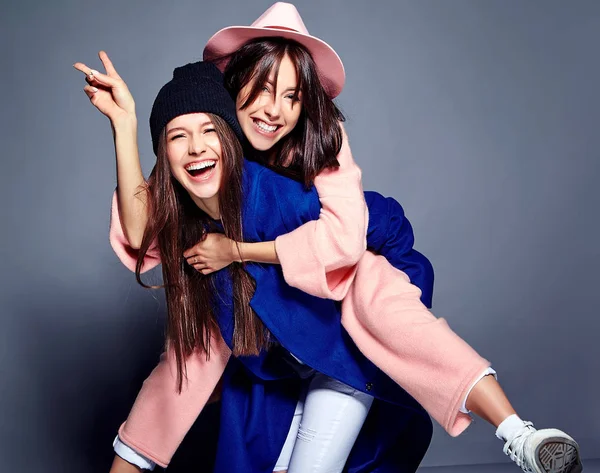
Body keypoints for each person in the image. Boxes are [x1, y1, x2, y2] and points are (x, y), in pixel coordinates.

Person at [74, 3, 583, 473]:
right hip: (278, 354)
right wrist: (125, 125)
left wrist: (237, 250)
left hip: (340, 331)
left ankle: (519, 432)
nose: (274, 109)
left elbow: (353, 236)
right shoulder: (203, 156)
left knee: (396, 315)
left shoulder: (306, 166)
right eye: (262, 88)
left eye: (292, 96)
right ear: (233, 89)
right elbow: (148, 234)